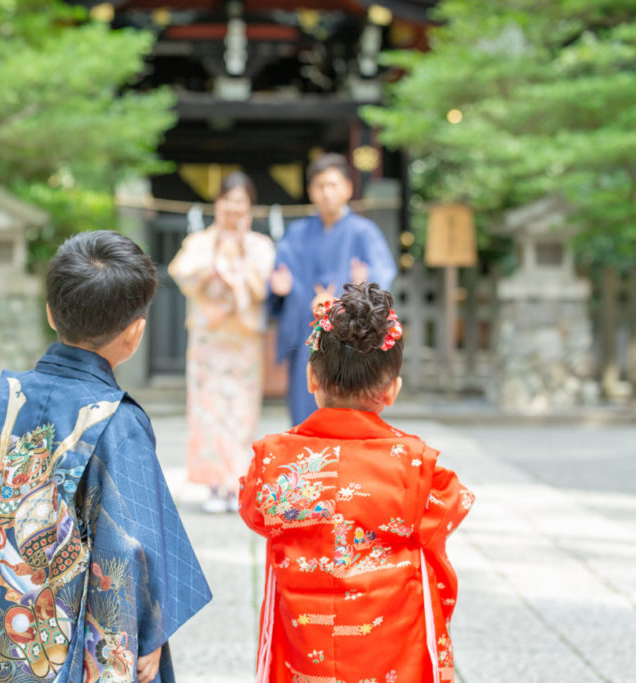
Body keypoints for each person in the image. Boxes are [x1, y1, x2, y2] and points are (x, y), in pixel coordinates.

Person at [0, 231, 212, 683]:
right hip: (56, 643)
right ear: (135, 333)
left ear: (50, 313)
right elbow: (130, 550)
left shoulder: (0, 401)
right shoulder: (116, 423)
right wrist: (149, 632)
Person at [239, 283, 473, 683]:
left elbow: (253, 512)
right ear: (392, 391)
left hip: (304, 650)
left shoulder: (274, 461)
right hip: (388, 653)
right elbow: (446, 515)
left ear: (311, 378)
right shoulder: (419, 466)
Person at [168, 172, 276, 514]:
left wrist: (240, 256)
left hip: (242, 342)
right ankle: (216, 484)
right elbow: (181, 271)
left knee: (240, 411)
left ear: (249, 207)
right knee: (208, 411)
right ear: (218, 204)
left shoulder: (260, 245)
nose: (233, 208)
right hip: (209, 341)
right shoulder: (201, 242)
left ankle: (236, 484)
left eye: (240, 202)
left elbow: (263, 288)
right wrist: (216, 263)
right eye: (228, 201)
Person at [269, 152, 397, 426]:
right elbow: (280, 278)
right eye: (320, 186)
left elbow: (382, 277)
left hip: (351, 342)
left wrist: (368, 282)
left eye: (333, 185)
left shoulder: (364, 232)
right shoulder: (297, 233)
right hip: (308, 337)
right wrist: (279, 290)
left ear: (348, 188)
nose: (327, 193)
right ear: (310, 191)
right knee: (304, 413)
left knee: (352, 412)